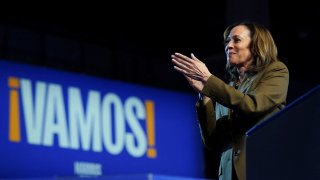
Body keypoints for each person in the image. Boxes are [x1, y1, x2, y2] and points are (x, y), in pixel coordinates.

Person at [171, 21, 289, 180]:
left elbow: (252, 105)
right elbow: (213, 141)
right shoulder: (227, 88)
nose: (229, 46)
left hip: (260, 168)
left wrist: (209, 80)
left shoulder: (275, 71)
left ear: (256, 45)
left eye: (236, 40)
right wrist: (204, 94)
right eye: (227, 41)